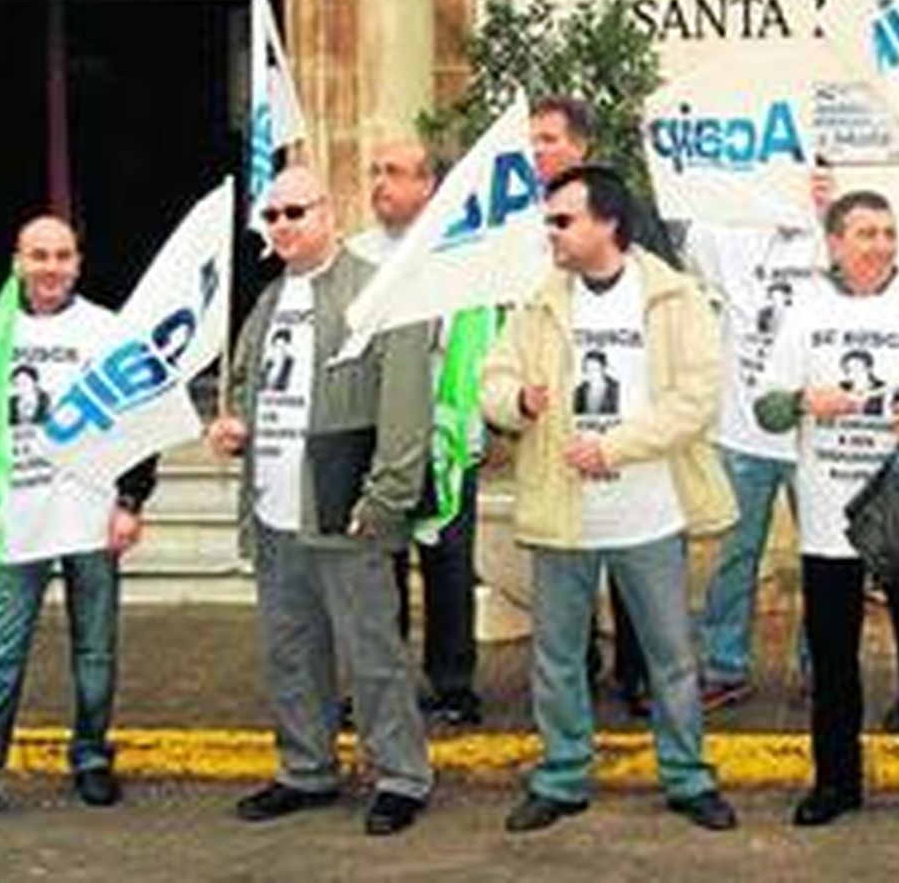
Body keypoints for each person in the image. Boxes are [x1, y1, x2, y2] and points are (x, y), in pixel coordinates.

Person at [482, 163, 738, 834]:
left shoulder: (674, 299)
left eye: (564, 220)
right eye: (550, 221)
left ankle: (687, 777)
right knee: (558, 656)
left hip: (649, 514)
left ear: (608, 224)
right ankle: (562, 776)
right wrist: (516, 401)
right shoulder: (538, 300)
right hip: (563, 513)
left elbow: (696, 402)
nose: (553, 233)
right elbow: (494, 378)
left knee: (672, 657)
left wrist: (615, 447)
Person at [0, 216, 156, 832]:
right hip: (11, 523)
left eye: (62, 255)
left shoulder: (107, 330)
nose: (50, 267)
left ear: (78, 262)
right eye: (38, 255)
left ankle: (92, 755)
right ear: (17, 260)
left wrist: (131, 501)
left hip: (91, 517)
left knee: (96, 651)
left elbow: (140, 423)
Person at [206, 166, 434, 836]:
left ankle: (401, 775)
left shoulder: (377, 292)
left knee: (372, 650)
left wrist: (386, 495)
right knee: (291, 648)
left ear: (329, 214)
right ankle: (306, 770)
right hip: (276, 508)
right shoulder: (269, 300)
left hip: (343, 502)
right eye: (271, 216)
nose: (281, 226)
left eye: (294, 212)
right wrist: (234, 424)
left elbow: (405, 407)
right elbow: (250, 382)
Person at [753, 190, 899, 830]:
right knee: (833, 659)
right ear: (835, 244)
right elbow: (766, 408)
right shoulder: (806, 311)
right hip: (830, 517)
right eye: (865, 233)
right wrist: (801, 401)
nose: (879, 244)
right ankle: (836, 783)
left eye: (887, 231)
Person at [528, 94, 661, 715]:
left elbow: (661, 290)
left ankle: (637, 674)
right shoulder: (510, 214)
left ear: (580, 147)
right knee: (565, 562)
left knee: (634, 562)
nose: (537, 151)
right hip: (549, 421)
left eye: (549, 139)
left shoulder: (619, 209)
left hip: (628, 435)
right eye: (532, 140)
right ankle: (575, 671)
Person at [685, 170, 830, 711]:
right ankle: (724, 667)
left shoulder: (831, 230)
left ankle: (823, 666)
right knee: (733, 556)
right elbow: (677, 210)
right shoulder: (725, 233)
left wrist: (825, 207)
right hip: (742, 431)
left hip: (815, 433)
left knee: (824, 558)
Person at [351, 137, 483, 728]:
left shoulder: (457, 253)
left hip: (443, 437)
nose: (380, 182)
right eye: (375, 171)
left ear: (427, 186)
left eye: (395, 173)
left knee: (449, 564)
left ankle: (453, 684)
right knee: (378, 569)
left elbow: (465, 343)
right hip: (371, 437)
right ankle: (384, 682)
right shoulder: (352, 257)